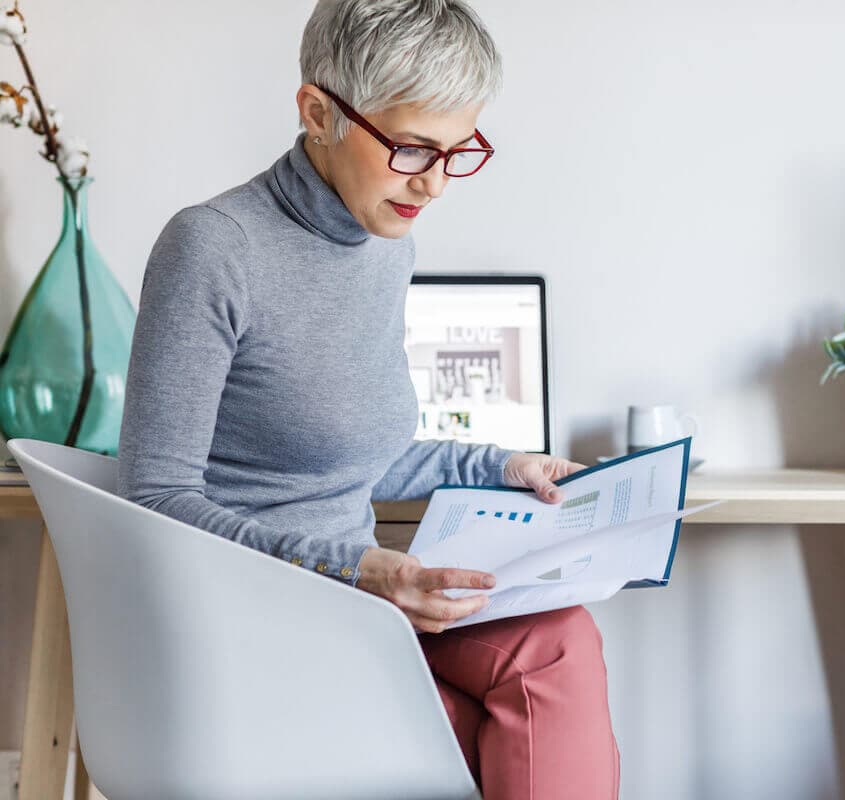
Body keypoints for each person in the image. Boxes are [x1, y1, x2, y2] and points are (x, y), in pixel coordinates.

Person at [115, 1, 620, 796]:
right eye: (413, 147)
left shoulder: (389, 241)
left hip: (361, 607)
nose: (435, 182)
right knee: (490, 726)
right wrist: (351, 570)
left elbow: (356, 451)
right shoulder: (212, 247)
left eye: (457, 152)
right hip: (251, 620)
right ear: (318, 112)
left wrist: (501, 464)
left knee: (557, 642)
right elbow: (154, 497)